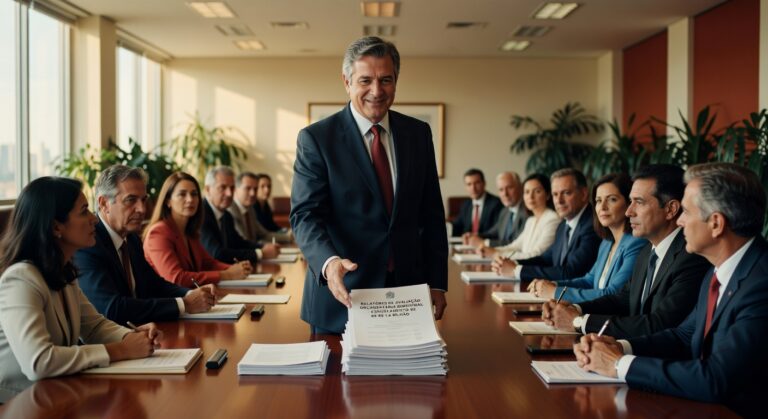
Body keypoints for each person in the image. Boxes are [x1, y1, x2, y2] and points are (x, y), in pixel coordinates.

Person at [575, 163, 768, 418]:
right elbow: (684, 336)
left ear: (716, 223)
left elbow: (716, 378)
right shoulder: (717, 270)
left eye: (686, 211)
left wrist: (618, 365)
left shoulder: (761, 283)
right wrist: (619, 347)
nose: (679, 221)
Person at [290, 36, 448, 334]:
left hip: (406, 296)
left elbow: (431, 215)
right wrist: (329, 262)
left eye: (385, 80)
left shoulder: (418, 134)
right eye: (365, 80)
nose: (376, 91)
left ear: (396, 81)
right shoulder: (316, 139)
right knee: (336, 382)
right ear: (347, 82)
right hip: (342, 297)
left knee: (408, 380)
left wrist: (437, 282)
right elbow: (305, 215)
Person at [0, 177, 160, 398]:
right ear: (56, 226)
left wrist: (130, 337)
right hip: (18, 402)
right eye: (84, 211)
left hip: (55, 393)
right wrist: (120, 350)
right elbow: (38, 362)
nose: (94, 219)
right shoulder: (20, 279)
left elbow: (94, 327)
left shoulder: (63, 270)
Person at [543, 165, 710, 338]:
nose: (629, 212)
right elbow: (622, 298)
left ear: (670, 209)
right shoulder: (647, 250)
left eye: (639, 202)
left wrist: (579, 321)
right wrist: (573, 308)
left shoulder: (691, 257)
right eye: (631, 201)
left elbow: (661, 323)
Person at [74, 165, 215, 325]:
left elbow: (154, 285)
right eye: (131, 200)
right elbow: (112, 308)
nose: (142, 209)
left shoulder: (132, 238)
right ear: (104, 204)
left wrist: (191, 294)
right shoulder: (87, 243)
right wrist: (185, 304)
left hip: (144, 333)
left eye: (143, 200)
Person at [528, 173, 646, 303]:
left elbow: (612, 294)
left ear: (629, 203)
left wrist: (555, 292)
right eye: (598, 200)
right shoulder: (606, 242)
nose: (603, 207)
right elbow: (588, 281)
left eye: (612, 199)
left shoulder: (636, 243)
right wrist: (552, 284)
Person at [143, 172, 251, 287]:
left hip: (194, 297)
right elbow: (176, 278)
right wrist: (226, 274)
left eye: (194, 194)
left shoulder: (190, 231)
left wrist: (236, 268)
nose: (190, 199)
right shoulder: (158, 233)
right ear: (168, 201)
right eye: (182, 194)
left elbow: (207, 263)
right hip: (170, 301)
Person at [491, 168, 600, 281]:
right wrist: (513, 263)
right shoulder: (563, 225)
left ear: (583, 194)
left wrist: (517, 270)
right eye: (555, 194)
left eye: (566, 193)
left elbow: (571, 272)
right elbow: (546, 259)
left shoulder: (593, 225)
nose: (559, 200)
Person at [200, 166, 280, 264]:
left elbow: (238, 243)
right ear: (208, 189)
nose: (229, 193)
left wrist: (263, 247)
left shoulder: (226, 215)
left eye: (232, 188)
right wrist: (260, 253)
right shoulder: (200, 215)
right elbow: (217, 253)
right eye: (223, 187)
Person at [477, 173, 560, 260]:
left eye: (537, 191)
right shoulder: (531, 220)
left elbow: (537, 254)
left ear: (547, 195)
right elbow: (515, 246)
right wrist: (491, 250)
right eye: (527, 192)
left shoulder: (552, 219)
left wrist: (496, 254)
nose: (530, 197)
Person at [464, 171, 528, 247]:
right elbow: (494, 233)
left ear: (520, 188)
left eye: (509, 188)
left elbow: (516, 243)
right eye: (501, 190)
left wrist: (486, 243)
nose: (505, 194)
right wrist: (474, 236)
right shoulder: (505, 211)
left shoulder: (527, 212)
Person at [228, 171, 291, 243]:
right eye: (248, 188)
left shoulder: (250, 209)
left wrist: (289, 237)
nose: (253, 193)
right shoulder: (230, 210)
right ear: (235, 189)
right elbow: (243, 242)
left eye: (255, 189)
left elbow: (264, 234)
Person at [451, 168, 503, 237]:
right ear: (465, 187)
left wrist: (477, 236)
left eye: (477, 183)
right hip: (467, 244)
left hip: (486, 243)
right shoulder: (466, 204)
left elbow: (496, 231)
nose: (473, 188)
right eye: (469, 184)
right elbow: (458, 226)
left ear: (484, 183)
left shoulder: (496, 203)